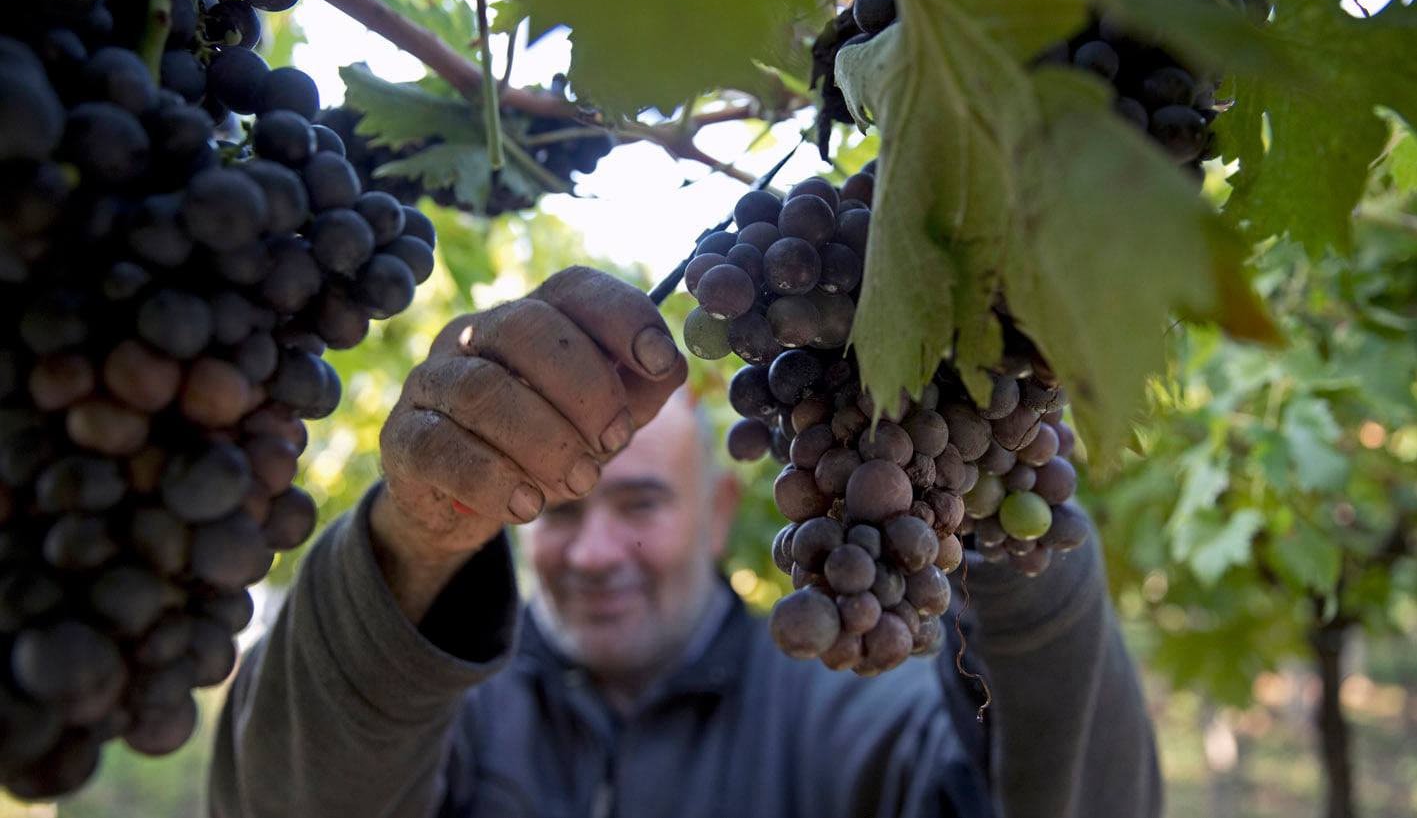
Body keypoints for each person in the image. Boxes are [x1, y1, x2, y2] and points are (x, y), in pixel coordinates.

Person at [209, 267, 1161, 818]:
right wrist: (413, 535)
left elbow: (1082, 799)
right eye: (563, 505)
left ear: (715, 514)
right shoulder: (456, 715)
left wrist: (991, 477)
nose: (590, 552)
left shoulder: (841, 712)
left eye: (639, 504)